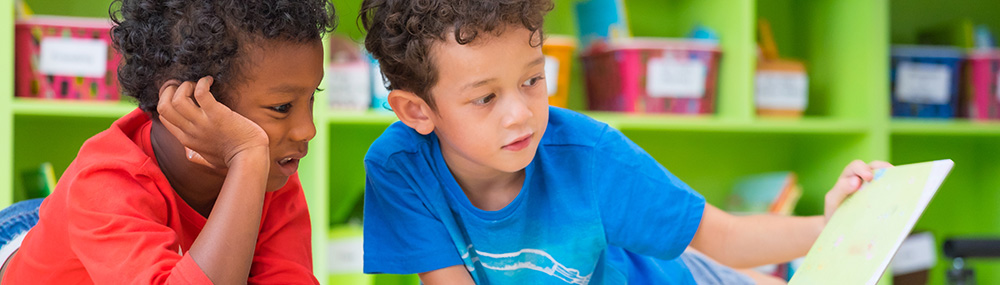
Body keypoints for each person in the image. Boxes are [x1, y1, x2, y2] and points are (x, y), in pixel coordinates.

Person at [358, 0, 891, 284]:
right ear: (416, 111)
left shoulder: (590, 156)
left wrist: (832, 225)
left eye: (532, 80)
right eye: (485, 98)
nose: (521, 114)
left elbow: (721, 237)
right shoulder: (399, 167)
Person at [1, 0, 335, 283]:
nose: (308, 130)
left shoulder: (270, 174)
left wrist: (249, 161)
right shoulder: (104, 182)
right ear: (188, 102)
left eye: (311, 98)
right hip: (22, 243)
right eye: (281, 108)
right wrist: (245, 157)